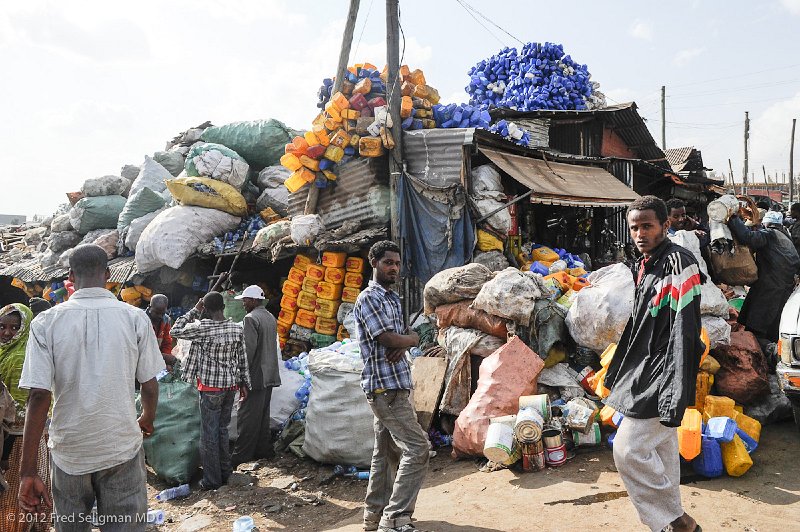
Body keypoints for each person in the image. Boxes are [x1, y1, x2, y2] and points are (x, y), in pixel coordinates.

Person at [18, 244, 164, 530]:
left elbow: (38, 396)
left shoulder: (47, 321)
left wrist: (27, 471)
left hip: (70, 448)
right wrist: (147, 417)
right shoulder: (135, 318)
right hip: (120, 441)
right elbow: (149, 383)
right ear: (108, 274)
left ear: (70, 276)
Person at [604, 196, 704, 532]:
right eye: (635, 227)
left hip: (665, 371)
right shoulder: (646, 264)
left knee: (628, 449)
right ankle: (672, 522)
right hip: (645, 367)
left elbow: (684, 329)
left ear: (665, 224)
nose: (640, 233)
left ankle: (677, 521)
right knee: (662, 450)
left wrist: (674, 384)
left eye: (648, 225)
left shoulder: (680, 262)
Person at [354, 241, 428, 532]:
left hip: (396, 382)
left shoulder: (393, 300)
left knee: (385, 454)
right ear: (373, 263)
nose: (394, 268)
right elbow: (388, 339)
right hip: (384, 388)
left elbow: (399, 337)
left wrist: (403, 340)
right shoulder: (369, 298)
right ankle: (396, 518)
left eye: (397, 263)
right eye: (388, 263)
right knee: (418, 448)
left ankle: (374, 517)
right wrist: (409, 340)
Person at [170, 290, 251, 491]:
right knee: (222, 430)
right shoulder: (235, 328)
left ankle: (212, 480)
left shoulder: (203, 328)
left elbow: (175, 330)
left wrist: (194, 311)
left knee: (209, 434)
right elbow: (242, 359)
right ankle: (225, 472)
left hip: (210, 388)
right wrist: (244, 384)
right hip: (230, 386)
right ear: (223, 307)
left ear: (205, 309)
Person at [0, 303, 50, 532]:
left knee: (13, 496)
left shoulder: (20, 357)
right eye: (2, 326)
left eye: (14, 327)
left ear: (24, 328)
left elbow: (21, 408)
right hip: (7, 434)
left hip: (18, 439)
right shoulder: (4, 351)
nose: (7, 333)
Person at [727, 209, 800, 342]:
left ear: (767, 224)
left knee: (756, 332)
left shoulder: (769, 234)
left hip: (769, 290)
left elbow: (746, 237)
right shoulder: (785, 237)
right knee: (773, 331)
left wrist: (733, 218)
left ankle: (760, 357)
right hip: (782, 290)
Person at [231, 285, 280, 467]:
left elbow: (247, 351)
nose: (243, 303)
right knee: (262, 415)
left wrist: (241, 377)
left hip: (256, 374)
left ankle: (242, 455)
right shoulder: (269, 316)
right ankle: (263, 450)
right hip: (269, 374)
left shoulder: (250, 319)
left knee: (247, 416)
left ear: (253, 300)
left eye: (245, 300)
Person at [146, 294, 177, 370]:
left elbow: (166, 343)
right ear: (149, 308)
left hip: (158, 360)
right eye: (157, 313)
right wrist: (164, 357)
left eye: (162, 313)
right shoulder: (141, 320)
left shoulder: (166, 320)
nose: (160, 316)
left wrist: (165, 362)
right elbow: (142, 349)